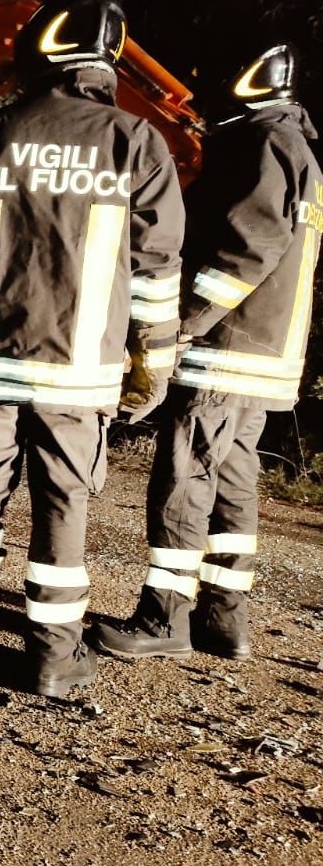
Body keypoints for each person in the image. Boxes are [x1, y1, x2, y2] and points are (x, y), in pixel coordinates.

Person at [0, 0, 185, 697]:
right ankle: (53, 660)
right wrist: (150, 359)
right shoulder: (136, 143)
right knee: (63, 506)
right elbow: (157, 270)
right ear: (109, 61)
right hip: (78, 368)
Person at [93, 43, 320, 662]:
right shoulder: (300, 152)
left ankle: (165, 618)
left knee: (185, 477)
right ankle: (224, 618)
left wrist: (186, 320)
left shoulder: (266, 146)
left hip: (225, 351)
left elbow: (250, 248)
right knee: (233, 482)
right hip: (265, 355)